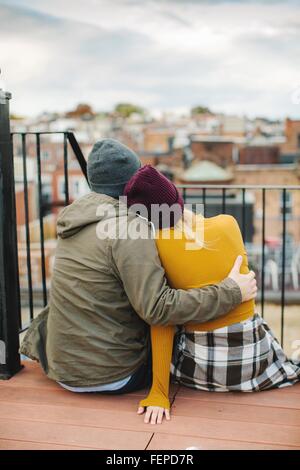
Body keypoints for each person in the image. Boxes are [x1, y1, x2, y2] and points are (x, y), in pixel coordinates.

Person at [20, 139, 257, 395]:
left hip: (62, 367)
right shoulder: (130, 230)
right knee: (173, 326)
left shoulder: (74, 219)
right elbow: (158, 309)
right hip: (111, 375)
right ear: (135, 184)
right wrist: (232, 291)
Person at [123, 165, 300, 425]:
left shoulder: (155, 248)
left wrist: (159, 393)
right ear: (176, 197)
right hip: (254, 364)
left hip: (197, 372)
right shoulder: (228, 224)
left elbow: (162, 321)